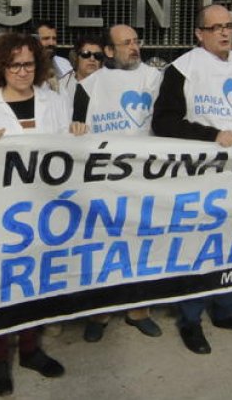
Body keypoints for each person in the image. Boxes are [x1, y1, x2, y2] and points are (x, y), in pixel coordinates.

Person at [151, 4, 232, 355]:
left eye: (229, 26)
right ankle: (190, 318)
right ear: (199, 33)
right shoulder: (182, 69)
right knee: (199, 249)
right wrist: (211, 136)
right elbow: (164, 122)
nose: (224, 32)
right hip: (200, 176)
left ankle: (227, 310)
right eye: (215, 27)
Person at [0, 33, 68, 396]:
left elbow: (70, 152)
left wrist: (80, 134)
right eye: (14, 65)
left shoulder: (54, 102)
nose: (22, 71)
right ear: (0, 68)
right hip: (0, 213)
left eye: (28, 64)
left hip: (43, 210)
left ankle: (30, 349)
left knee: (34, 282)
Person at [69, 24, 164, 342]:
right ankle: (100, 312)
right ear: (109, 51)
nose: (134, 47)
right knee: (104, 247)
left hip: (144, 178)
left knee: (141, 245)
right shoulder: (90, 85)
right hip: (104, 181)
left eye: (136, 41)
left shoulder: (154, 78)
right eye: (126, 43)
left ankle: (139, 310)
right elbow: (75, 125)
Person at [58, 35, 105, 102]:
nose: (92, 59)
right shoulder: (61, 86)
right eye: (86, 54)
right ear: (75, 58)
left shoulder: (109, 86)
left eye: (98, 55)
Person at [35, 20, 73, 85]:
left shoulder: (64, 64)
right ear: (34, 40)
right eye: (46, 38)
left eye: (54, 39)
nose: (51, 43)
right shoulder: (26, 66)